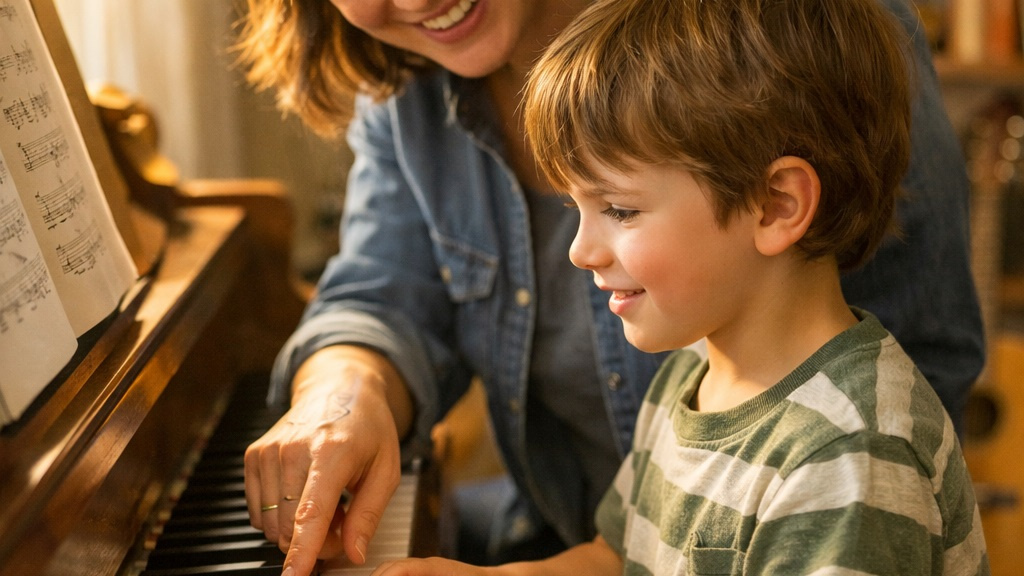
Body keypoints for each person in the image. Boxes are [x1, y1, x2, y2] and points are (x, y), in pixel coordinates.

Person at [235, 0, 984, 573]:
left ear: (778, 204)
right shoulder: (693, 375)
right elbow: (624, 556)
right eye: (573, 207)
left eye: (619, 209)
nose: (579, 251)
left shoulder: (850, 465)